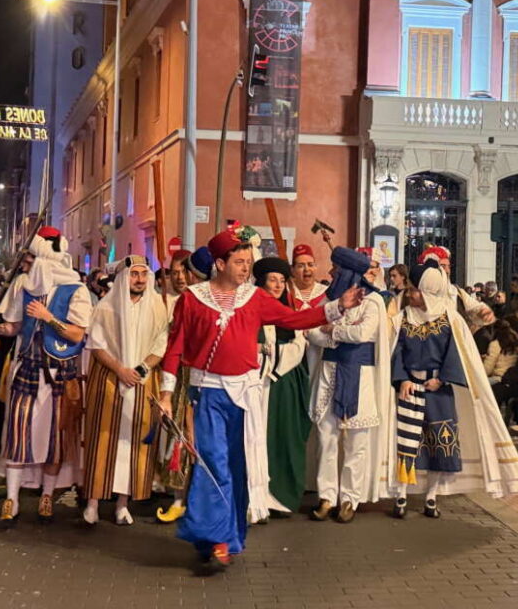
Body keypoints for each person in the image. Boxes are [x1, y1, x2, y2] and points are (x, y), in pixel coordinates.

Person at [158, 225, 362, 567]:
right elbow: (175, 347)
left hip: (245, 396)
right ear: (220, 264)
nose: (246, 268)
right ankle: (216, 536)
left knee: (237, 466)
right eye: (239, 262)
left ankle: (226, 536)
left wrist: (337, 307)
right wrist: (166, 394)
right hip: (207, 393)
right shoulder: (192, 299)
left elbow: (294, 319)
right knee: (214, 463)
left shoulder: (254, 298)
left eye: (248, 262)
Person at [391, 258, 518, 518]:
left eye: (414, 290)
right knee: (407, 443)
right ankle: (401, 495)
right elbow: (396, 351)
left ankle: (432, 495)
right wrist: (402, 379)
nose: (410, 295)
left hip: (438, 391)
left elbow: (457, 354)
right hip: (410, 390)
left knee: (440, 443)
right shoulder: (402, 319)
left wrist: (442, 379)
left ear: (428, 292)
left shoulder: (450, 319)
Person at [0, 227, 92, 525]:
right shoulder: (23, 286)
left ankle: (47, 496)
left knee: (54, 440)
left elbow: (77, 334)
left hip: (60, 373)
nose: (25, 265)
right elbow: (13, 327)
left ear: (45, 260)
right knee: (17, 434)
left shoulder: (76, 290)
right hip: (27, 369)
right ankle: (12, 499)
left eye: (30, 259)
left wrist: (49, 318)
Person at [304, 247, 394, 525]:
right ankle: (327, 496)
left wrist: (333, 330)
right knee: (326, 438)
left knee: (357, 442)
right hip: (330, 373)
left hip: (361, 377)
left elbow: (364, 333)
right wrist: (337, 336)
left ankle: (349, 498)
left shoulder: (373, 301)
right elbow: (311, 332)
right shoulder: (329, 300)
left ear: (348, 272)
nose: (331, 273)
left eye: (337, 269)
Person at [81, 256, 168, 526]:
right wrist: (120, 369)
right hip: (108, 379)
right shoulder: (106, 306)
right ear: (123, 278)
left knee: (135, 443)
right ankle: (93, 503)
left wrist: (141, 368)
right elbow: (96, 345)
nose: (139, 280)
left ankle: (122, 504)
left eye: (143, 274)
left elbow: (161, 343)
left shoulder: (157, 306)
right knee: (101, 439)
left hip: (142, 381)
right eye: (134, 274)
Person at [155, 247, 215, 524]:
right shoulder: (171, 302)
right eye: (175, 272)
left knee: (203, 436)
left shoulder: (206, 300)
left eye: (185, 272)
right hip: (180, 375)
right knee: (179, 434)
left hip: (206, 376)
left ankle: (201, 499)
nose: (180, 277)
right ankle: (178, 498)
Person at [253, 257, 311, 516]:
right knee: (257, 438)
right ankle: (256, 496)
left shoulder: (290, 309)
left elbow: (299, 345)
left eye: (281, 280)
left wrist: (272, 358)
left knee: (284, 437)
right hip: (256, 383)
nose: (277, 285)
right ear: (262, 282)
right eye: (272, 280)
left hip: (284, 382)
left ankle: (281, 497)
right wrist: (261, 354)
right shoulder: (251, 309)